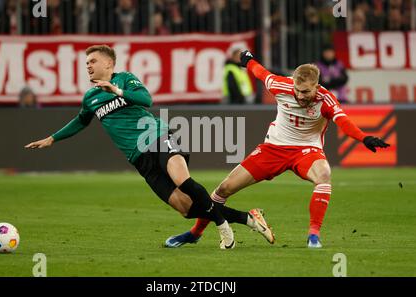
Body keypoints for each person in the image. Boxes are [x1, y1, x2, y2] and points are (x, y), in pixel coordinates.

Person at [24, 45, 270, 249]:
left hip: (155, 136)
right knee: (185, 208)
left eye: (92, 61)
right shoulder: (90, 98)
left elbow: (146, 100)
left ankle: (223, 228)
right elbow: (81, 121)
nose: (87, 65)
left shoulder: (125, 79)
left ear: (108, 64)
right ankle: (246, 218)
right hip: (138, 158)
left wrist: (118, 90)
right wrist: (52, 138)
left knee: (183, 180)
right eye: (86, 62)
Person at [165, 50, 390, 249]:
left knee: (324, 175)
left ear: (316, 86)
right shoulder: (282, 85)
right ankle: (195, 233)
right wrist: (248, 60)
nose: (300, 96)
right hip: (273, 149)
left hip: (306, 151)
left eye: (305, 92)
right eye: (297, 90)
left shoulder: (326, 99)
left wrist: (363, 138)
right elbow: (261, 72)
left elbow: (343, 121)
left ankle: (313, 235)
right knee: (223, 189)